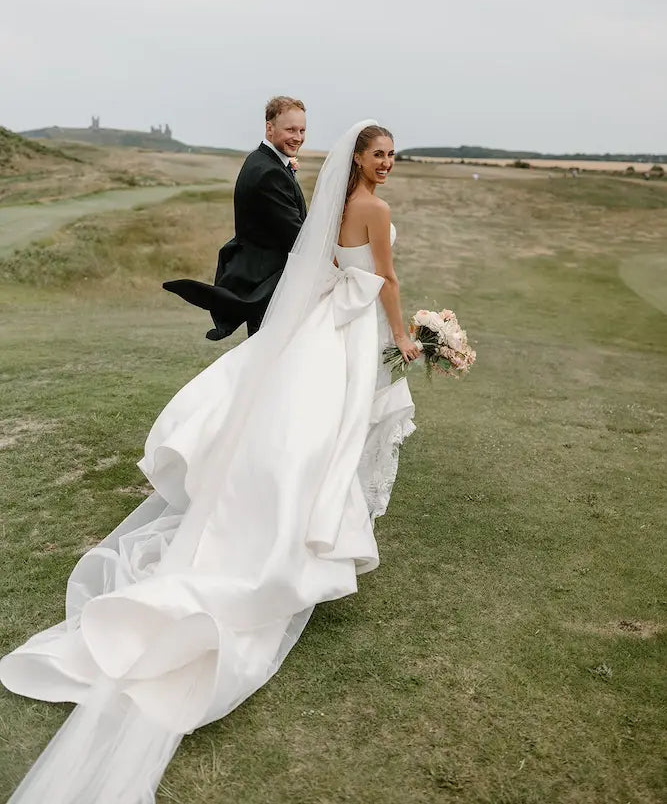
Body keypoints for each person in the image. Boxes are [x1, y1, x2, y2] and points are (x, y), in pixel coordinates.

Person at [0, 121, 420, 804]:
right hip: (349, 327)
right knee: (325, 437)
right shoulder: (372, 207)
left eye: (393, 155)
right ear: (360, 158)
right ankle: (294, 540)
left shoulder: (339, 203)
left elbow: (327, 268)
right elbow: (386, 277)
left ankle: (288, 519)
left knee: (308, 433)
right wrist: (403, 335)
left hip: (329, 326)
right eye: (380, 154)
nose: (388, 163)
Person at [163, 96, 307, 339]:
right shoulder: (269, 172)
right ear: (269, 128)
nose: (298, 137)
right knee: (270, 352)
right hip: (269, 284)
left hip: (268, 281)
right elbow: (297, 236)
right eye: (290, 129)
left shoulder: (262, 160)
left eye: (302, 130)